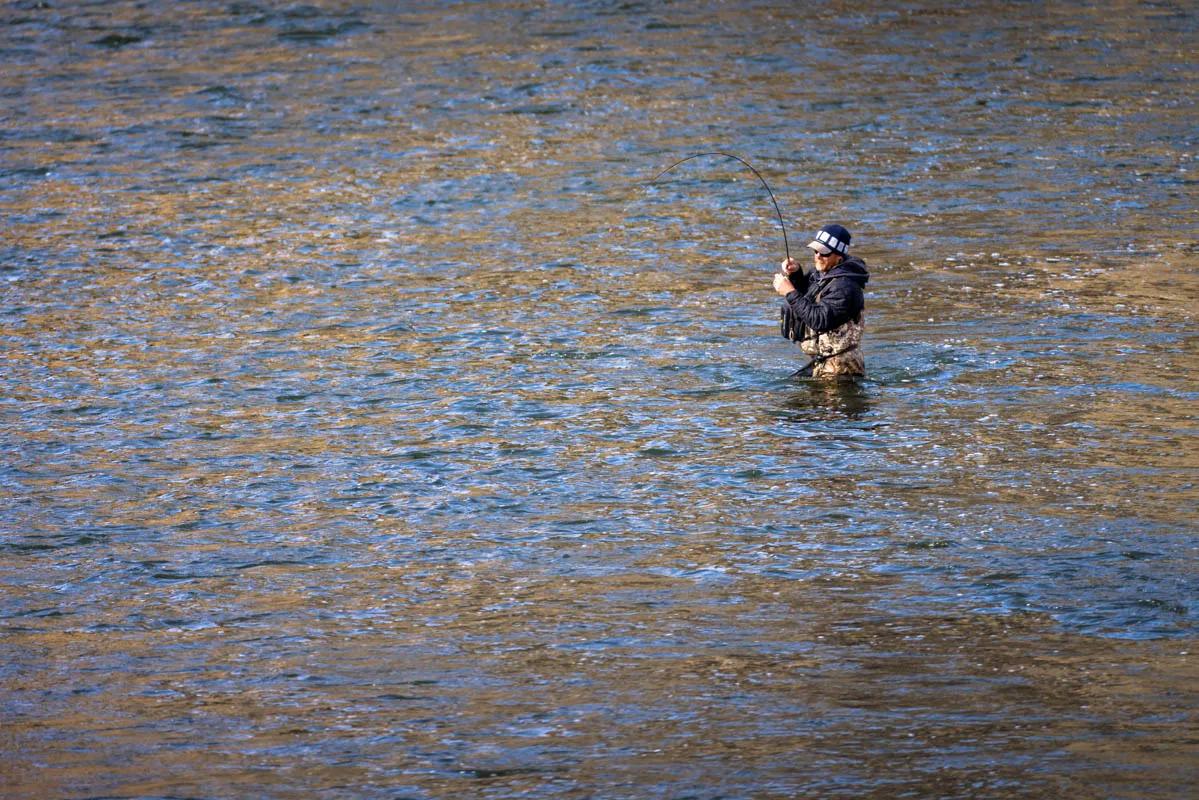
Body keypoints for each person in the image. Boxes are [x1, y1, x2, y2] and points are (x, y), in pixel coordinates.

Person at [772, 223, 869, 378]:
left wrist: (789, 292)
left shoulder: (845, 287)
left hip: (842, 369)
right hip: (823, 362)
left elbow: (819, 320)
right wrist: (796, 274)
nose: (817, 256)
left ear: (839, 257)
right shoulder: (823, 274)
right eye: (816, 251)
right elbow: (808, 294)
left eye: (824, 253)